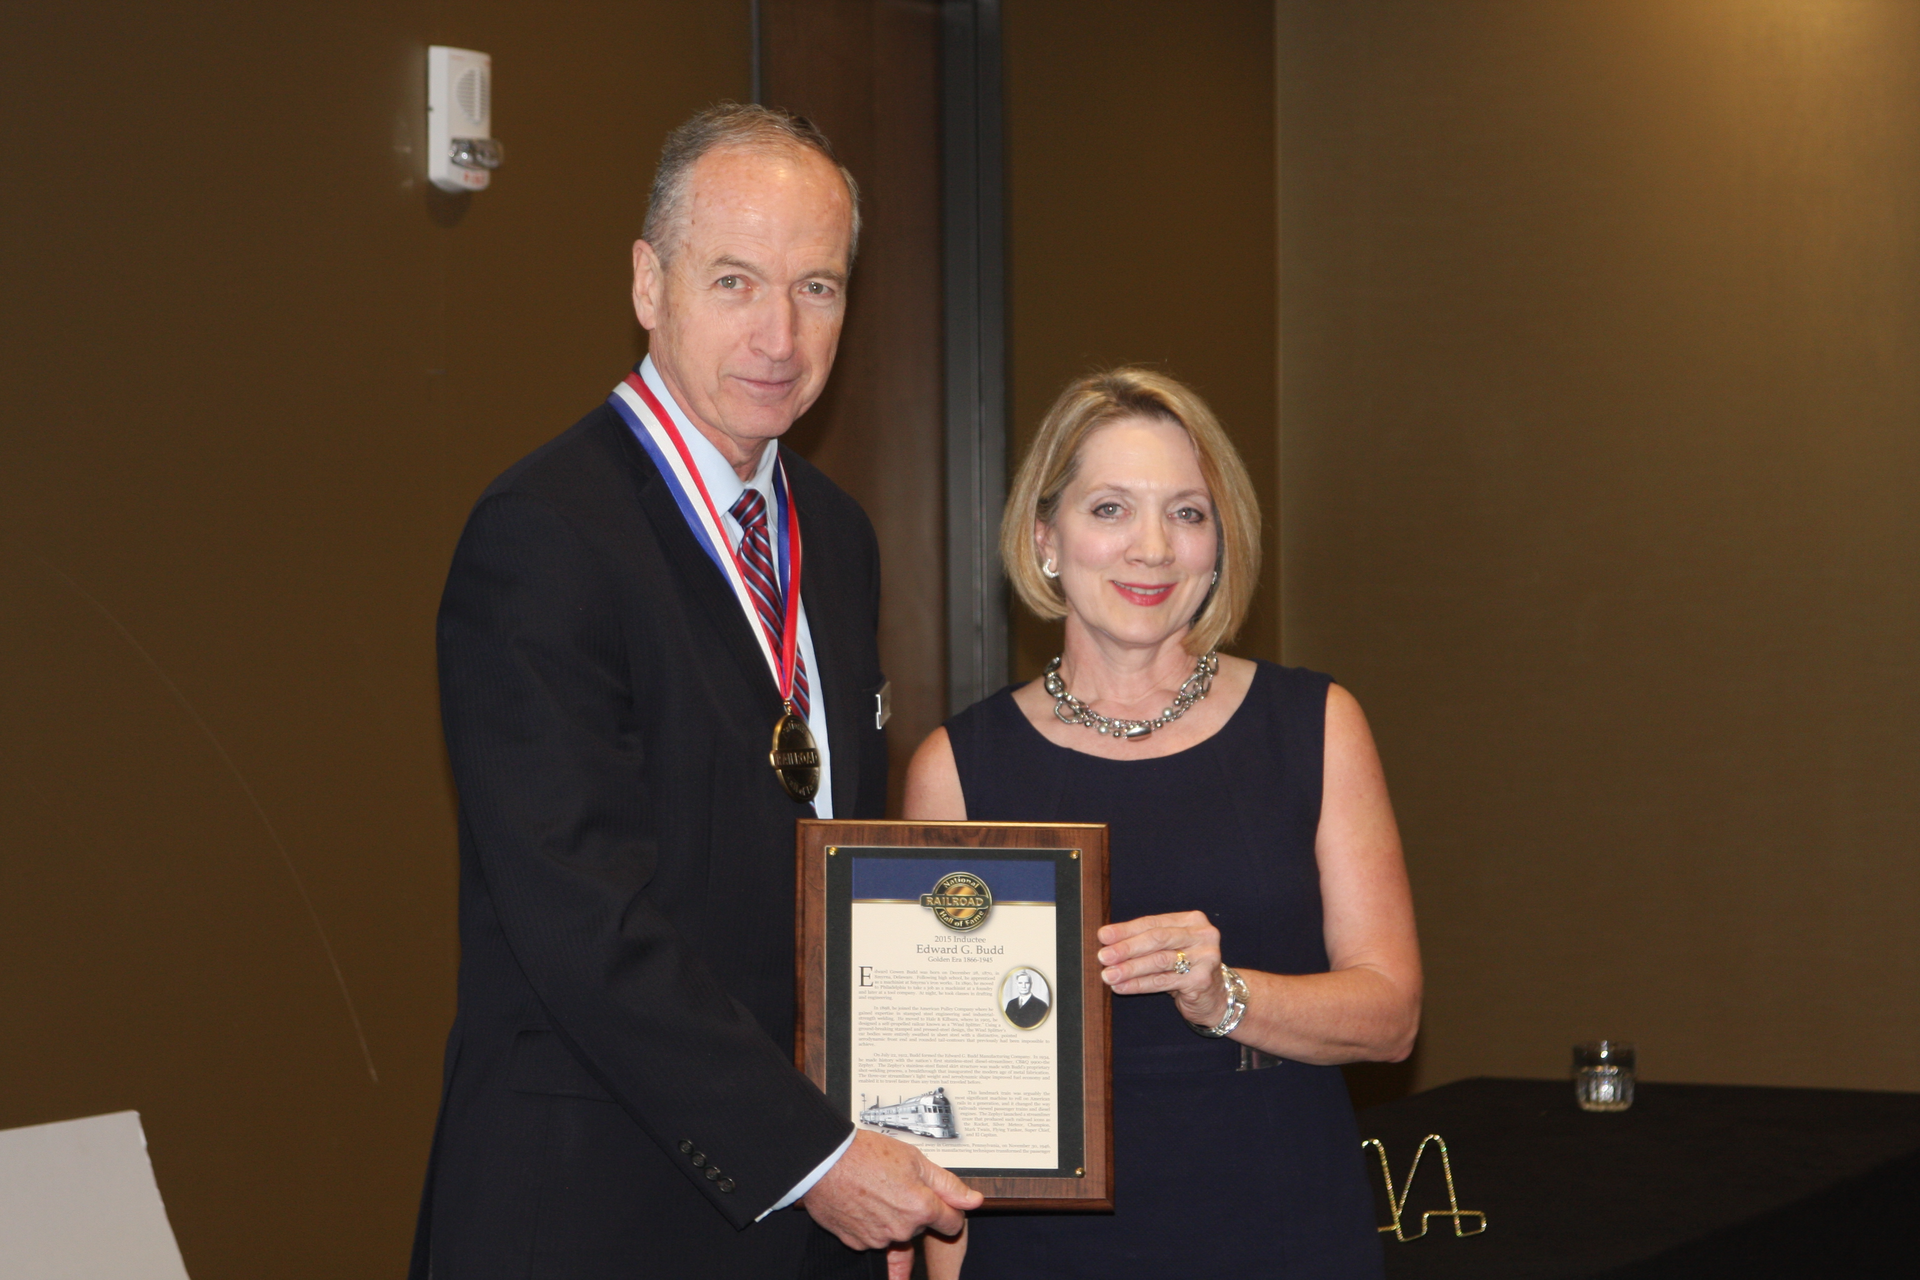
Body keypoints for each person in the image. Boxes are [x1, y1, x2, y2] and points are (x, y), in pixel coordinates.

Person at [411, 104, 979, 1280]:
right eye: (735, 280)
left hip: (798, 1210)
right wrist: (821, 1158)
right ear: (647, 282)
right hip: (593, 1206)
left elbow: (826, 858)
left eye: (817, 287)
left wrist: (911, 1126)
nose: (779, 332)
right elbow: (585, 922)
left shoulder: (834, 532)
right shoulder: (544, 536)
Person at [905, 368, 1421, 1278]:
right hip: (1043, 1253)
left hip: (1280, 1224)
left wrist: (1224, 995)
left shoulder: (1314, 726)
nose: (1151, 548)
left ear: (1219, 544)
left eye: (1186, 513)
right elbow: (946, 1115)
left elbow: (1391, 1017)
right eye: (1109, 509)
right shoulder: (957, 769)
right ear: (1045, 537)